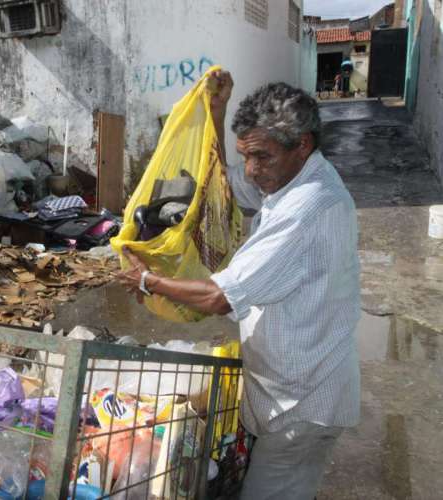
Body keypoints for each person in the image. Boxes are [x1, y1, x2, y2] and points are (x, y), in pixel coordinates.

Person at [117, 72, 360, 500]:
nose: (251, 169)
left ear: (302, 144)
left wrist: (147, 279)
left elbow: (218, 296)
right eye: (246, 155)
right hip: (288, 387)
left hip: (303, 405)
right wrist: (216, 110)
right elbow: (225, 185)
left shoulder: (310, 207)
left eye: (261, 157)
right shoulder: (290, 179)